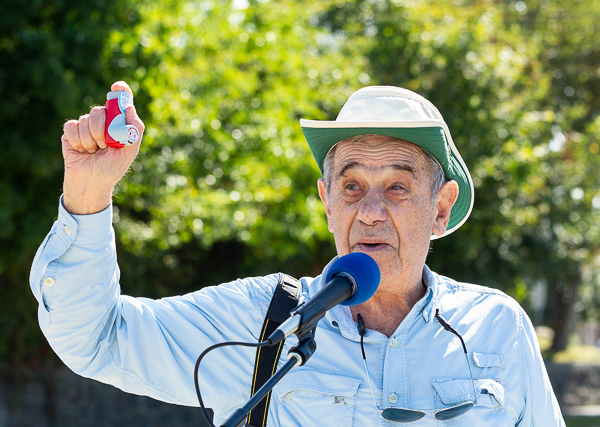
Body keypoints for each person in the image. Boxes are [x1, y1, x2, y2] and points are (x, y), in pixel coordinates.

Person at [30, 82, 565, 426]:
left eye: (398, 188)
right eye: (351, 186)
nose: (372, 211)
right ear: (326, 202)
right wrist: (87, 196)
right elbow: (97, 338)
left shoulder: (497, 326)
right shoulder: (266, 319)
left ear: (441, 208)